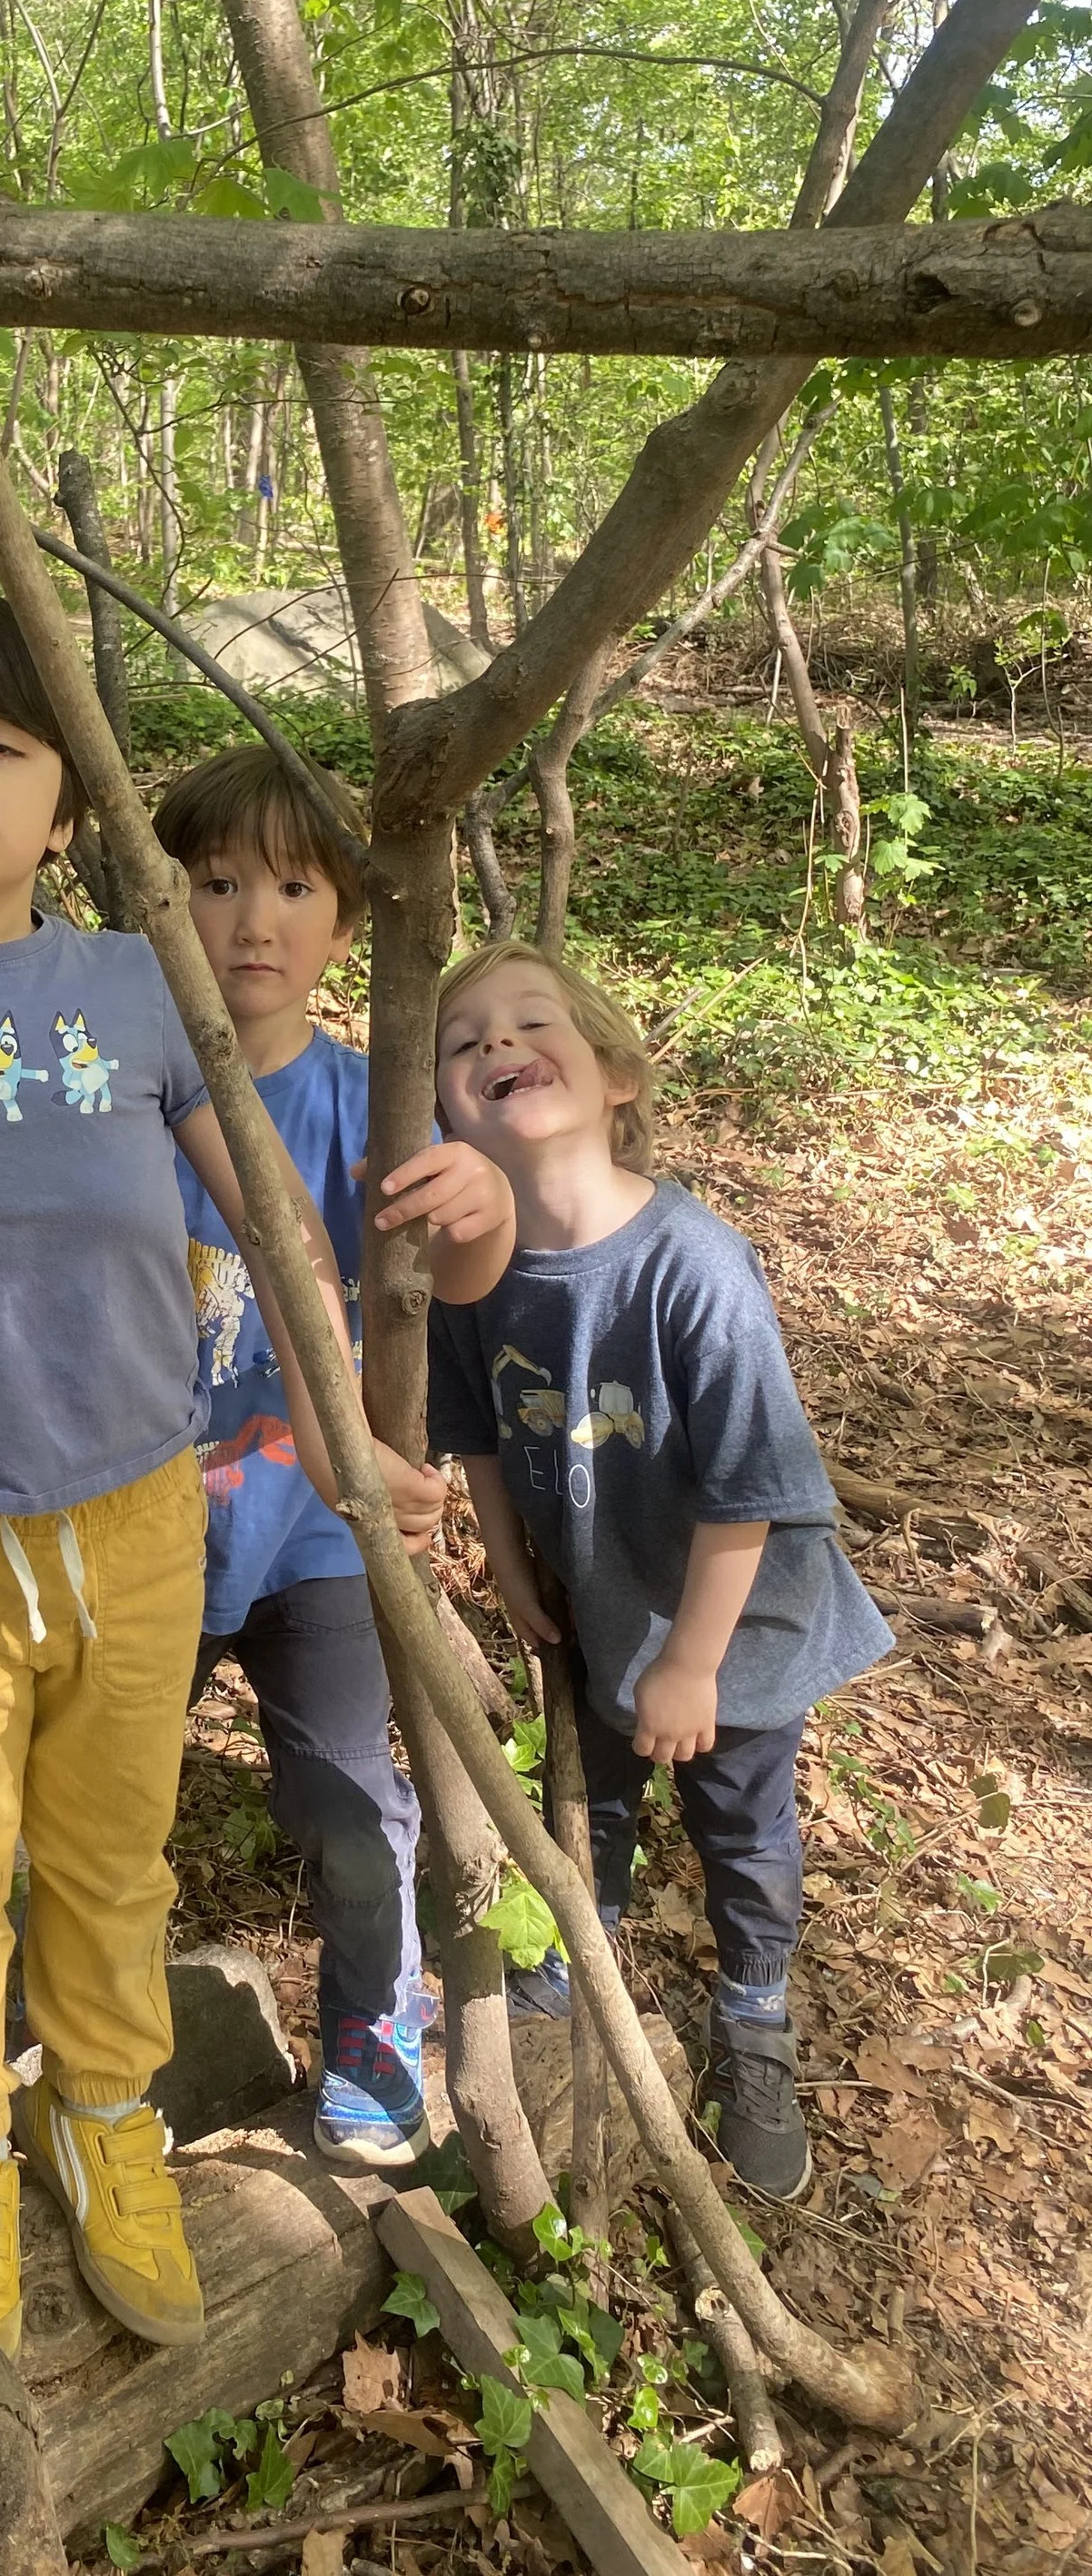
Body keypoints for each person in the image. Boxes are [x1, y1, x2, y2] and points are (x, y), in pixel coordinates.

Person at [0, 591, 514, 2359]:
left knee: (109, 1852)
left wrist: (347, 1442)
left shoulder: (137, 990)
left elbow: (273, 1229)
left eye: (0, 745)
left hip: (142, 1513)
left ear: (66, 806)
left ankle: (103, 2113)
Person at [425, 938, 893, 2203]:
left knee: (741, 1827)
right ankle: (572, 1963)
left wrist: (692, 1666)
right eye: (464, 1041)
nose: (497, 1045)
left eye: (532, 1024)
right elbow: (473, 1429)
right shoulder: (473, 1272)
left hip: (737, 1623)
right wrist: (509, 1564)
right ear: (446, 1108)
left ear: (617, 1075)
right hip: (601, 1596)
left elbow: (754, 1489)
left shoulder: (692, 1263)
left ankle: (754, 2016)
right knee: (595, 1801)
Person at [154, 741, 491, 2172]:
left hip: (312, 1532)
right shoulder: (112, 1092)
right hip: (136, 1528)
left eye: (294, 889)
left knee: (348, 1804)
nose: (253, 921)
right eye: (218, 881)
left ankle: (374, 2021)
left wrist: (480, 1207)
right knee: (106, 1808)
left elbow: (447, 1284)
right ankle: (95, 2041)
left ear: (347, 925)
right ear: (160, 898)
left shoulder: (367, 1104)